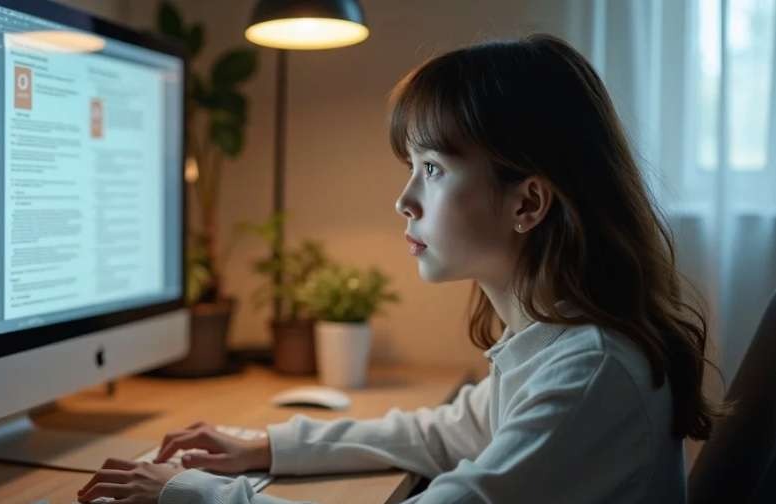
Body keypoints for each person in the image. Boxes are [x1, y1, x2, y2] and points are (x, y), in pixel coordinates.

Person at [76, 33, 727, 504]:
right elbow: (451, 431)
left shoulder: (587, 372)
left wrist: (194, 494)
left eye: (433, 170)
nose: (404, 199)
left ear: (527, 201)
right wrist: (267, 447)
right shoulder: (558, 344)